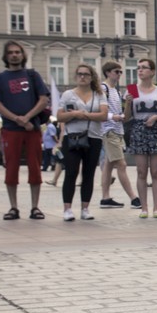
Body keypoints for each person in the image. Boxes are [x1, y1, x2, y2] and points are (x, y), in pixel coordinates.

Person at [0, 40, 49, 221]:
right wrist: (16, 119)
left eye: (18, 52)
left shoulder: (32, 75)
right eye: (11, 53)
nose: (15, 55)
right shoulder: (0, 78)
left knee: (35, 167)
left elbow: (43, 99)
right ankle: (13, 207)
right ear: (6, 56)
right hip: (10, 129)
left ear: (23, 55)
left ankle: (35, 207)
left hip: (31, 129)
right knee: (11, 167)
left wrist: (27, 117)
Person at [56, 64, 107, 221]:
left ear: (92, 77)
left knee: (89, 173)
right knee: (71, 172)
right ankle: (67, 209)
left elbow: (104, 115)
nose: (82, 77)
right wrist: (76, 114)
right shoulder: (68, 95)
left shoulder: (99, 94)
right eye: (79, 74)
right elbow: (59, 116)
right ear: (75, 76)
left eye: (86, 74)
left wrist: (84, 115)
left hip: (94, 137)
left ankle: (85, 208)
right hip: (72, 137)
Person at [124, 58, 157, 219]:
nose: (140, 70)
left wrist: (156, 117)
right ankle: (144, 208)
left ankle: (156, 208)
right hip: (138, 129)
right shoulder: (132, 89)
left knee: (156, 171)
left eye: (144, 68)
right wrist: (128, 104)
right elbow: (127, 117)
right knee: (141, 171)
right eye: (139, 68)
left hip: (156, 130)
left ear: (152, 71)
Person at [97, 61, 140, 209]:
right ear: (108, 72)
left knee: (109, 165)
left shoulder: (117, 91)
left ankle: (105, 198)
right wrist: (111, 117)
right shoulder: (103, 88)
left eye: (121, 72)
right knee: (121, 164)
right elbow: (98, 110)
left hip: (118, 130)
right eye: (117, 71)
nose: (120, 74)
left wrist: (128, 103)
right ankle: (134, 198)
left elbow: (126, 117)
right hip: (109, 131)